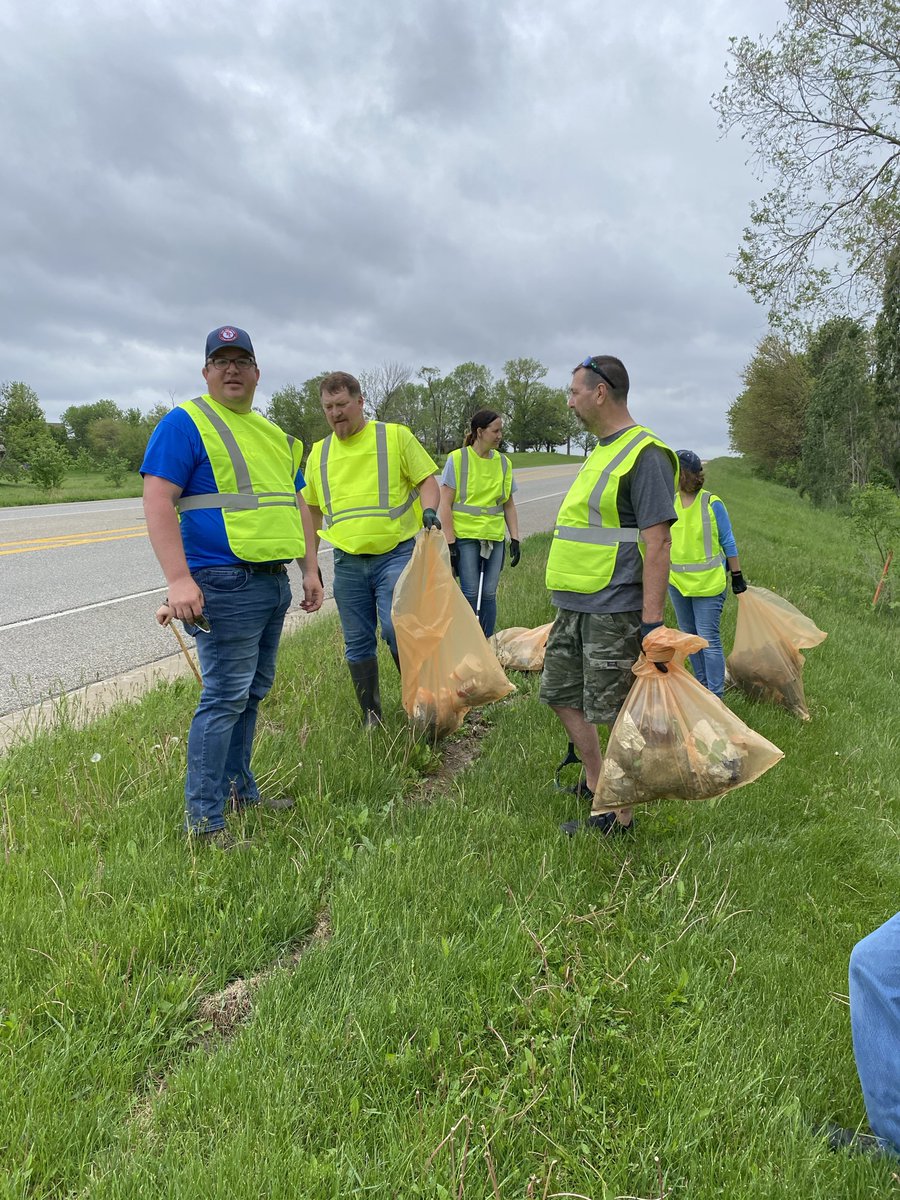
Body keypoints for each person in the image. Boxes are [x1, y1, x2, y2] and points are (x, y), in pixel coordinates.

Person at [141, 326, 323, 850]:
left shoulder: (271, 433)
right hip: (222, 582)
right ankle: (204, 821)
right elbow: (157, 501)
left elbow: (298, 507)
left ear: (257, 372)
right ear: (205, 372)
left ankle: (240, 791)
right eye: (220, 361)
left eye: (241, 359)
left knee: (250, 695)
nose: (232, 369)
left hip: (271, 582)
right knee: (223, 698)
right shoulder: (186, 422)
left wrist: (310, 569)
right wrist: (178, 580)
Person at [539, 355, 678, 838]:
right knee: (559, 694)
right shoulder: (600, 450)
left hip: (615, 606)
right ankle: (596, 782)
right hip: (576, 603)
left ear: (601, 393)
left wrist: (652, 623)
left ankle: (619, 817)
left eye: (575, 390)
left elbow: (658, 542)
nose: (570, 399)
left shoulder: (647, 454)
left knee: (617, 712)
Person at [302, 371, 441, 727]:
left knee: (397, 630)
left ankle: (420, 705)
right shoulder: (319, 453)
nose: (335, 413)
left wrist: (429, 509)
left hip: (394, 555)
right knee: (357, 643)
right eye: (328, 407)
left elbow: (427, 479)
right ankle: (371, 716)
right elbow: (313, 509)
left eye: (342, 404)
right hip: (347, 563)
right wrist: (310, 567)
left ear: (360, 402)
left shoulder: (394, 437)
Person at [667, 449, 746, 700]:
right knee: (689, 638)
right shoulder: (670, 502)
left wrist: (737, 575)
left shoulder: (712, 503)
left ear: (684, 474)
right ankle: (702, 689)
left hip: (708, 585)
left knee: (707, 639)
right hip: (677, 583)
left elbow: (728, 541)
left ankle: (715, 697)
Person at [439, 409, 520, 637]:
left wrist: (515, 538)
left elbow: (509, 505)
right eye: (495, 431)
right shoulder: (457, 459)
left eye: (501, 430)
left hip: (494, 537)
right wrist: (450, 542)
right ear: (480, 432)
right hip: (466, 537)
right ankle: (465, 642)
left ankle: (486, 642)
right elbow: (445, 504)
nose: (499, 435)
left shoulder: (504, 463)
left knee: (489, 595)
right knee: (470, 592)